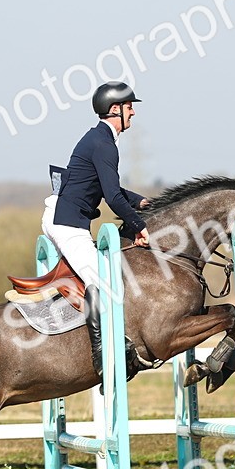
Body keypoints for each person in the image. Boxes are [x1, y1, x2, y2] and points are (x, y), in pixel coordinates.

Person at [42, 81, 150, 380]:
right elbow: (112, 198)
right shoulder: (104, 144)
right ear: (115, 109)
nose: (133, 114)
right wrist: (140, 228)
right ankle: (101, 354)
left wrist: (140, 201)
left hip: (63, 216)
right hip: (67, 224)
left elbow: (110, 190)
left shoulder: (99, 139)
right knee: (103, 284)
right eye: (130, 107)